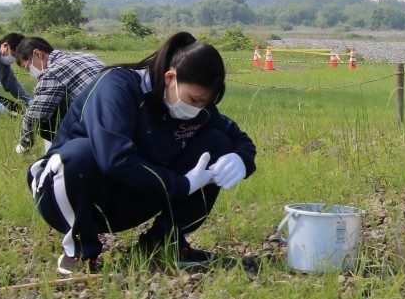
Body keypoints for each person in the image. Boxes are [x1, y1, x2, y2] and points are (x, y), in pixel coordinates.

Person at [26, 32, 256, 275]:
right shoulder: (117, 87)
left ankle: (163, 244)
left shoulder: (196, 108)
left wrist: (242, 159)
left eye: (205, 103)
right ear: (170, 77)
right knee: (78, 154)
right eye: (194, 99)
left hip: (129, 197)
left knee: (217, 143)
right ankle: (80, 252)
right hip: (65, 193)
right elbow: (114, 159)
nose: (198, 108)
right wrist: (182, 184)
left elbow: (236, 137)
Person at [12, 37, 106, 154]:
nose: (31, 72)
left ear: (37, 54)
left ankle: (62, 152)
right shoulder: (87, 56)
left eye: (28, 68)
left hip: (99, 125)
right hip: (122, 113)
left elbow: (35, 115)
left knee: (46, 118)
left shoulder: (52, 72)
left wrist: (23, 145)